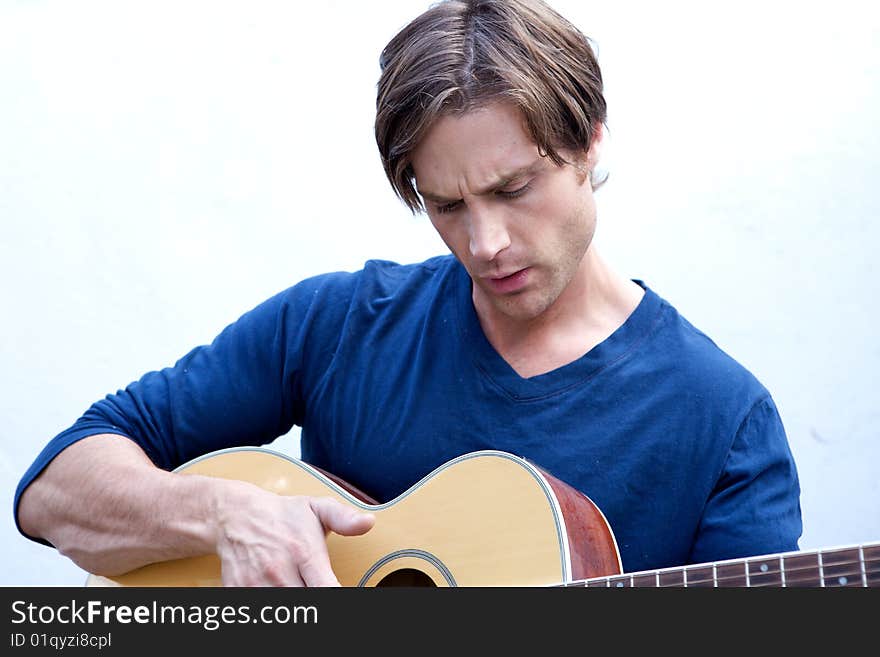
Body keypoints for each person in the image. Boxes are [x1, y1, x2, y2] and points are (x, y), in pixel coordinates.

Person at [14, 0, 802, 587]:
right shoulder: (337, 325)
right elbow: (56, 487)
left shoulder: (725, 421)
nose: (485, 242)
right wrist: (223, 514)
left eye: (514, 187)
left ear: (591, 138)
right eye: (449, 206)